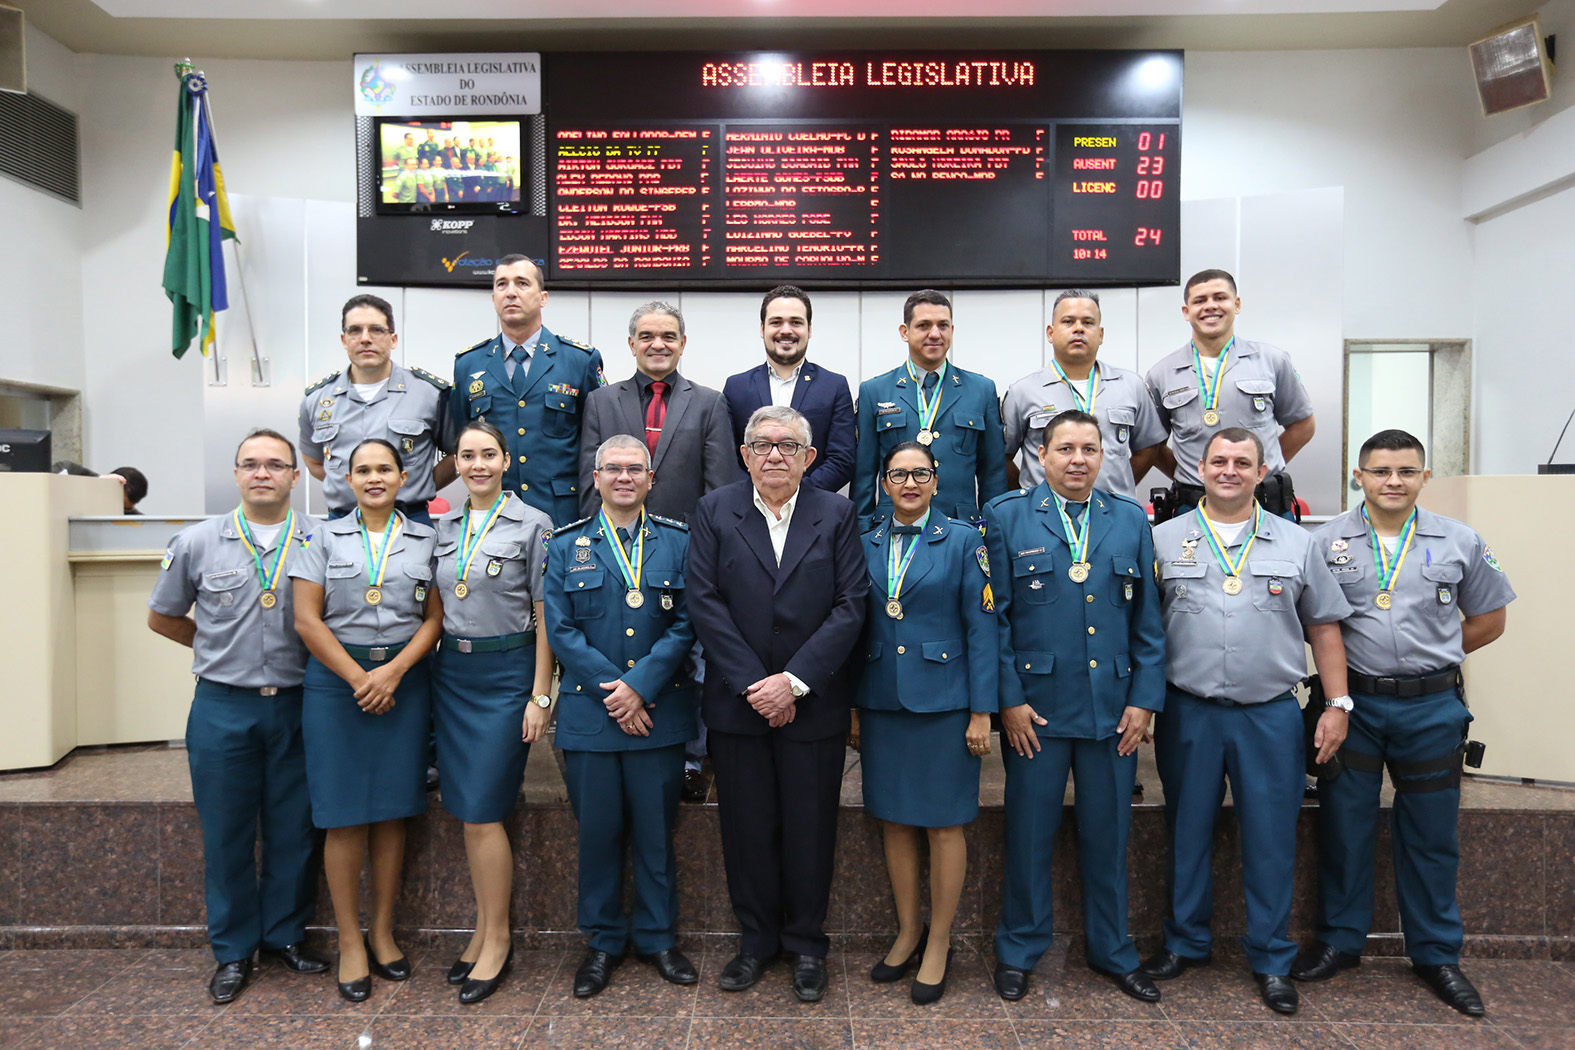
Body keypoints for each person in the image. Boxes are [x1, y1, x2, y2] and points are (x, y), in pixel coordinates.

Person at [1292, 429, 1514, 1016]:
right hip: (1354, 706)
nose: (1394, 481)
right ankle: (1340, 942)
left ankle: (1436, 954)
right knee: (1345, 827)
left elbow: (1490, 619)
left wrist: (1432, 657)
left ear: (1424, 477)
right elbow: (1313, 624)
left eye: (1406, 471)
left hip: (1431, 708)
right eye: (1381, 471)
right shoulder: (1324, 542)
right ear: (1358, 476)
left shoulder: (1460, 540)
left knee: (1431, 835)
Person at [1143, 427, 1352, 1015]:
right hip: (1188, 711)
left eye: (1242, 462)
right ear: (1199, 468)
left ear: (1262, 473)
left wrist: (1338, 705)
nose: (1229, 470)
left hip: (1270, 715)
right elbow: (1144, 630)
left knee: (1270, 837)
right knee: (1187, 830)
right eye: (1218, 461)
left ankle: (1271, 956)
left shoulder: (1297, 542)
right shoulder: (1161, 540)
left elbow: (1324, 628)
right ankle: (1186, 942)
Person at [982, 410, 1165, 1005]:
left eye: (1089, 448)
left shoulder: (1129, 519)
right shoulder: (1007, 517)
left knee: (1109, 838)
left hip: (1113, 712)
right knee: (1029, 836)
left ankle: (1113, 950)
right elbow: (995, 619)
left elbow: (1148, 623)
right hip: (1036, 712)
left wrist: (1145, 700)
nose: (1078, 459)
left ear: (1105, 455)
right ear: (1041, 454)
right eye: (1065, 448)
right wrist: (1008, 700)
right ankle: (1019, 948)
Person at [688, 405, 868, 1002]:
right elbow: (704, 601)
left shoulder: (836, 513)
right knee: (747, 828)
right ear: (743, 455)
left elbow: (851, 605)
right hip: (738, 705)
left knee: (811, 828)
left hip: (812, 705)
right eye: (761, 445)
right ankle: (756, 942)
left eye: (788, 445)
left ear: (809, 458)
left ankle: (807, 944)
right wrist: (755, 685)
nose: (773, 455)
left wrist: (792, 682)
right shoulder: (715, 510)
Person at [146, 428, 327, 1004]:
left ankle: (284, 935)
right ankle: (232, 950)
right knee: (226, 834)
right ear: (236, 474)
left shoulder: (322, 538)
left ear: (295, 476)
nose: (262, 473)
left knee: (294, 829)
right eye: (251, 464)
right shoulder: (197, 542)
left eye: (275, 464)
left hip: (300, 703)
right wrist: (215, 651)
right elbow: (162, 616)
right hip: (224, 706)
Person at [545, 435, 700, 999]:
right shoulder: (566, 545)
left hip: (657, 712)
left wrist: (640, 687)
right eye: (613, 468)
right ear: (596, 477)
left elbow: (688, 622)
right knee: (598, 835)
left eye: (636, 468)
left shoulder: (679, 543)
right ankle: (603, 941)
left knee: (657, 834)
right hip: (592, 716)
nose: (625, 477)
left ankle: (658, 938)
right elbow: (559, 628)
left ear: (651, 478)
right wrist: (617, 691)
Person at [289, 438, 443, 1002]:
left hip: (404, 683)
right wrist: (361, 679)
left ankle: (381, 932)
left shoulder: (427, 539)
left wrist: (394, 673)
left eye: (384, 469)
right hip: (338, 687)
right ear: (347, 479)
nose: (374, 478)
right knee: (343, 816)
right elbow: (306, 620)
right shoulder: (319, 537)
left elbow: (435, 618)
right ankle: (350, 941)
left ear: (403, 478)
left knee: (394, 811)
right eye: (363, 470)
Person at [851, 440, 996, 1005]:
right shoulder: (864, 541)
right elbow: (854, 626)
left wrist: (982, 711)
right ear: (884, 483)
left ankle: (939, 940)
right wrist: (854, 706)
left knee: (943, 824)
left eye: (920, 474)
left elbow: (982, 629)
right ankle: (908, 930)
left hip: (945, 704)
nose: (909, 484)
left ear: (937, 481)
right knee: (893, 821)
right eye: (898, 475)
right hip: (882, 700)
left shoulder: (963, 541)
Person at [431, 421, 556, 1004]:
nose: (477, 464)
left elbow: (546, 615)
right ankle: (482, 930)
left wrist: (540, 694)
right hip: (454, 676)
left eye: (488, 454)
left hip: (508, 677)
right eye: (467, 455)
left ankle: (499, 939)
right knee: (468, 811)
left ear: (507, 460)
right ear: (455, 464)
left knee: (483, 811)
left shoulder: (534, 524)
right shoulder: (442, 528)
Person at [1144, 269, 1315, 520]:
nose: (1210, 306)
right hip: (1193, 506)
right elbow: (1152, 445)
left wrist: (1259, 469)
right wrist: (1195, 476)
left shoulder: (1272, 361)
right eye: (1200, 300)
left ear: (1237, 304)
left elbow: (1303, 426)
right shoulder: (1162, 373)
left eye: (1220, 298)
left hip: (1266, 506)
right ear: (1186, 312)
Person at [449, 254, 604, 527]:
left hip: (563, 514)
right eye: (502, 285)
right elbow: (462, 438)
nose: (511, 292)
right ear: (493, 298)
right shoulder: (468, 364)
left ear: (543, 298)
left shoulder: (580, 360)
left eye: (522, 283)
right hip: (494, 515)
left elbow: (599, 442)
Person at [853, 289, 1008, 527]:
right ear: (905, 332)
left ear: (952, 330)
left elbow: (993, 474)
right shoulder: (875, 391)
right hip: (893, 525)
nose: (935, 334)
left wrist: (994, 531)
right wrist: (863, 531)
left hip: (960, 526)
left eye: (943, 326)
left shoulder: (981, 390)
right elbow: (864, 473)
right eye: (924, 325)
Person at [300, 293, 452, 523]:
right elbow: (314, 461)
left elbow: (458, 455)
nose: (365, 339)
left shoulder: (429, 394)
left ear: (393, 339)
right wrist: (355, 488)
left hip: (410, 520)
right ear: (344, 340)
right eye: (355, 330)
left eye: (376, 330)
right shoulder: (318, 399)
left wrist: (420, 484)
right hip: (342, 522)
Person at [1001, 290, 1166, 502]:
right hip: (1044, 513)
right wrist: (1028, 498)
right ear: (1050, 333)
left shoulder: (1131, 386)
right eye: (1068, 321)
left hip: (1113, 513)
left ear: (1101, 334)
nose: (1078, 328)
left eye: (1088, 322)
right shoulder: (1023, 392)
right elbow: (1002, 458)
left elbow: (1149, 448)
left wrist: (1117, 491)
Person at [579, 300, 734, 523]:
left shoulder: (709, 404)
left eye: (668, 337)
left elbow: (720, 487)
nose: (658, 345)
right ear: (632, 345)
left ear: (682, 344)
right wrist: (597, 536)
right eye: (647, 337)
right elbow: (590, 483)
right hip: (616, 535)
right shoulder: (601, 402)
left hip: (687, 536)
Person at [723, 285, 855, 493]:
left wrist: (797, 495)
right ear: (762, 329)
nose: (786, 330)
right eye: (776, 322)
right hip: (749, 505)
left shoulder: (834, 386)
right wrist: (760, 494)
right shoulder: (736, 387)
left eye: (796, 322)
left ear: (809, 329)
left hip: (813, 505)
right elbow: (728, 458)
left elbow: (842, 459)